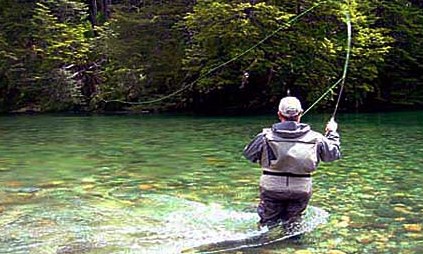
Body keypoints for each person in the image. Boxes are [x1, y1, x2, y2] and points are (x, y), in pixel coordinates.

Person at [243, 96, 341, 228]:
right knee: (293, 224)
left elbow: (249, 155)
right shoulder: (316, 137)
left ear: (279, 114)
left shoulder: (265, 136)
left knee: (267, 223)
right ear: (300, 114)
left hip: (271, 187)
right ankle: (293, 245)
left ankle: (264, 245)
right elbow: (333, 155)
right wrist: (332, 133)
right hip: (301, 189)